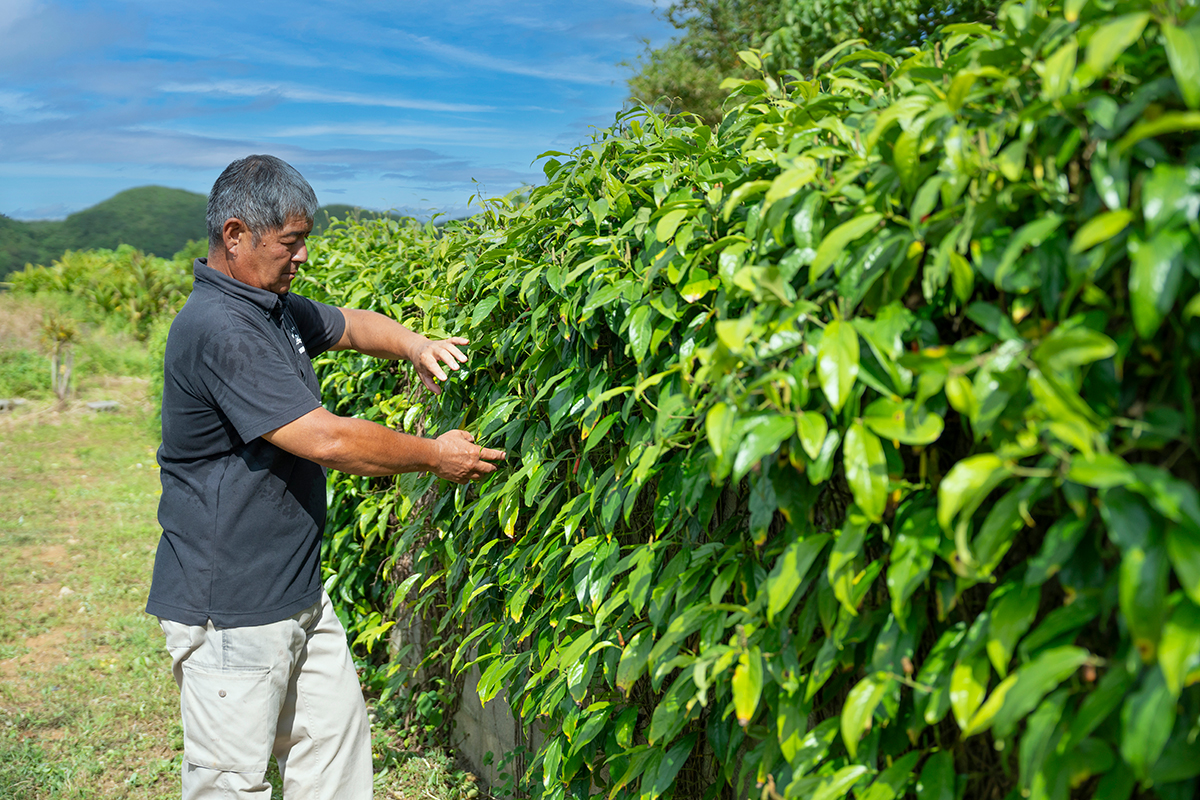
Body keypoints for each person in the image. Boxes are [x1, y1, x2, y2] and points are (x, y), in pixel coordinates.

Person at [146, 154, 505, 799]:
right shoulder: (219, 327)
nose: (302, 256)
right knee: (231, 782)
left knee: (333, 750)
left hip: (295, 588)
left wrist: (415, 344)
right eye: (291, 242)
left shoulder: (270, 306)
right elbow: (327, 438)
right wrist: (435, 454)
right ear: (235, 236)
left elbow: (347, 325)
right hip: (230, 603)